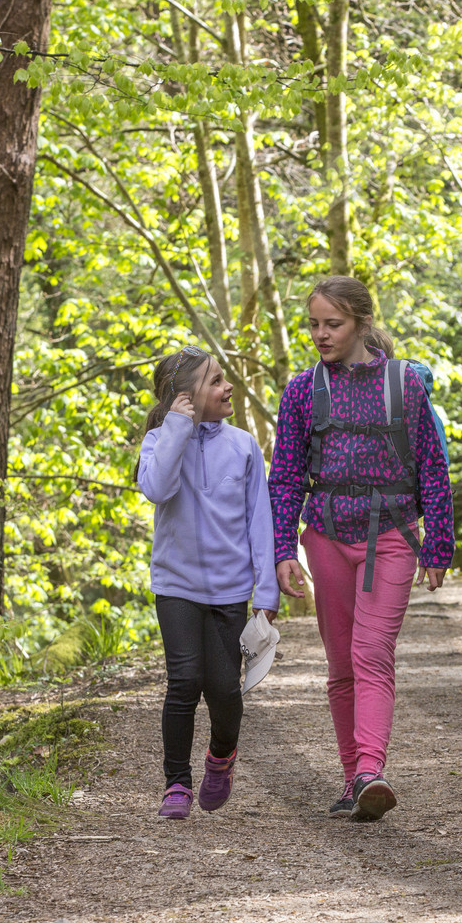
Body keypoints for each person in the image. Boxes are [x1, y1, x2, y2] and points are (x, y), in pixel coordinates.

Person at [268, 276, 453, 822]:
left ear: (362, 324)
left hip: (392, 537)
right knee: (341, 664)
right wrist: (283, 551)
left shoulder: (405, 384)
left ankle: (372, 768)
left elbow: (433, 470)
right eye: (314, 324)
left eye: (333, 324)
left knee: (372, 654)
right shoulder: (303, 390)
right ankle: (354, 780)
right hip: (324, 536)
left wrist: (438, 546)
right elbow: (285, 478)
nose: (321, 335)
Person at [137, 346, 278, 819]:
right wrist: (176, 427)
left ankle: (221, 759)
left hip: (230, 589)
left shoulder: (242, 446)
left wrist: (267, 590)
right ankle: (176, 784)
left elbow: (261, 521)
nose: (227, 386)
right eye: (215, 381)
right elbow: (157, 488)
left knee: (223, 689)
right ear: (187, 396)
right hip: (175, 585)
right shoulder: (159, 440)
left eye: (224, 377)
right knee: (183, 682)